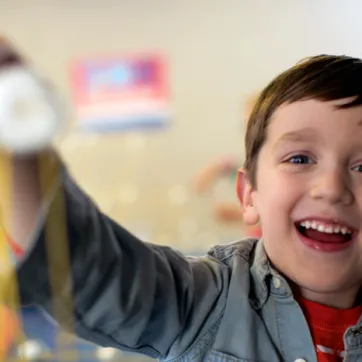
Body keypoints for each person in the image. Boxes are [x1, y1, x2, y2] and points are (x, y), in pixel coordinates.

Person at [3, 39, 362, 362]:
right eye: (300, 158)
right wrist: (22, 142)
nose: (330, 188)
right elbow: (96, 273)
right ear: (248, 195)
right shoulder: (208, 300)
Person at [193, 94, 262, 238]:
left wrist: (241, 216)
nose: (249, 134)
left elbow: (287, 218)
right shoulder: (249, 166)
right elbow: (198, 185)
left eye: (254, 124)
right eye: (246, 125)